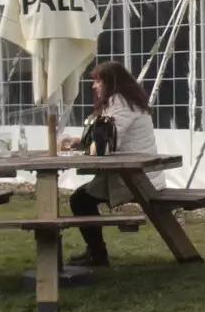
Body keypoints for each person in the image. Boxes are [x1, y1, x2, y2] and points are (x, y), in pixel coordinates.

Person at [59, 61, 164, 267]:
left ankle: (97, 254)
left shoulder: (119, 102)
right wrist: (79, 141)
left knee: (80, 201)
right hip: (136, 174)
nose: (94, 86)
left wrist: (89, 147)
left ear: (109, 82)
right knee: (81, 200)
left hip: (136, 179)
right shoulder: (124, 100)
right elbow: (109, 136)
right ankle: (96, 253)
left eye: (97, 81)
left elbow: (106, 144)